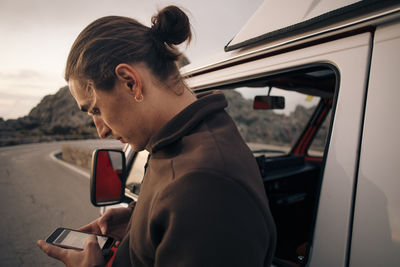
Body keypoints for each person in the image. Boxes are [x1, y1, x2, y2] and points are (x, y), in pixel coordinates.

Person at [37, 5, 276, 267]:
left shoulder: (203, 185)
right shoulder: (176, 145)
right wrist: (138, 220)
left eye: (96, 109)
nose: (100, 129)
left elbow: (194, 208)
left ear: (130, 81)